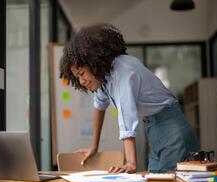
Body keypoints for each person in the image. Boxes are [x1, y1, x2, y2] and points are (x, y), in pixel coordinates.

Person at [59, 24, 199, 173]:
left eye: (82, 74)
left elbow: (126, 117)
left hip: (171, 128)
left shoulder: (121, 71)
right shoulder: (105, 76)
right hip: (154, 128)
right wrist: (94, 146)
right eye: (77, 77)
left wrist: (131, 163)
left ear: (94, 63)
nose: (81, 81)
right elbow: (99, 106)